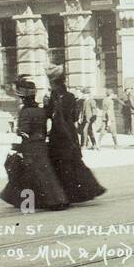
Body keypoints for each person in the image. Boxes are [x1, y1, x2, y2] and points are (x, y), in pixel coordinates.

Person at [0, 76, 68, 212]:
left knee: (34, 173)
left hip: (30, 145)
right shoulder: (41, 110)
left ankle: (51, 201)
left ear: (23, 98)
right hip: (41, 143)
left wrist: (15, 145)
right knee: (43, 172)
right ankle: (55, 199)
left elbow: (24, 132)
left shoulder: (25, 112)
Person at [45, 65, 106, 203]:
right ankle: (85, 190)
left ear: (55, 84)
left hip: (60, 133)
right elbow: (73, 117)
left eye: (51, 84)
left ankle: (66, 193)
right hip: (68, 133)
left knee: (61, 163)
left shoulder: (56, 98)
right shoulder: (70, 97)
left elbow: (50, 114)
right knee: (72, 162)